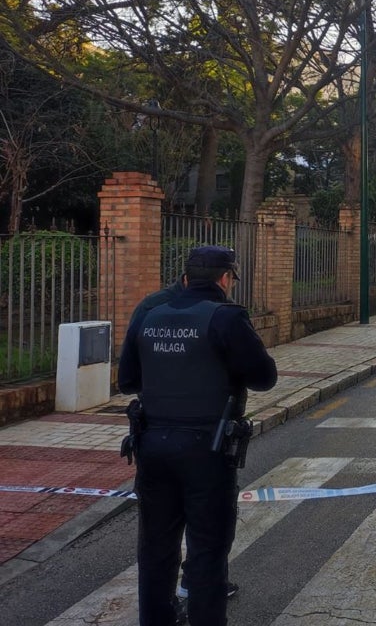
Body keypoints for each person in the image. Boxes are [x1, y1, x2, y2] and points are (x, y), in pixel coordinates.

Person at [118, 246, 277, 626]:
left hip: (152, 446)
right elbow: (264, 378)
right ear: (225, 279)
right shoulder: (226, 318)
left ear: (186, 278)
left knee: (156, 549)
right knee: (207, 550)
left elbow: (127, 382)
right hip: (207, 450)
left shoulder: (150, 314)